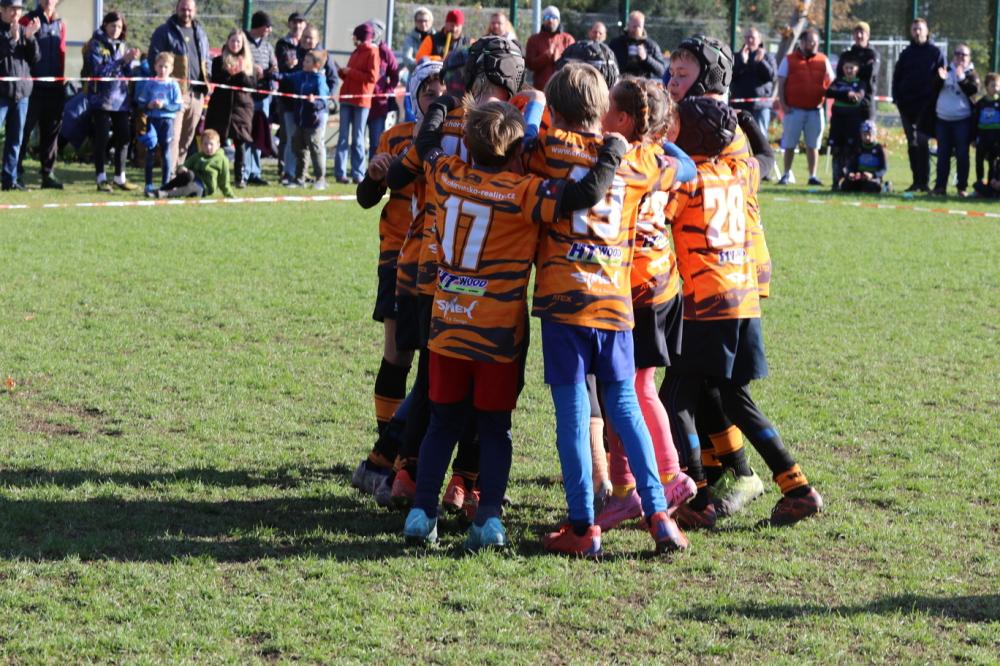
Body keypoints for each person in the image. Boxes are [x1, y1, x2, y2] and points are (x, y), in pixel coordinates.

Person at [400, 95, 640, 553]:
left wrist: (441, 107)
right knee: (495, 428)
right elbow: (585, 195)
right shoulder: (525, 192)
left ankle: (422, 512)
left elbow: (426, 143)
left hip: (447, 326)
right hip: (498, 337)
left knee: (442, 425)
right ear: (516, 151)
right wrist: (611, 154)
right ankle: (489, 518)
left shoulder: (446, 174)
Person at [523, 66, 689, 556]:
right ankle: (658, 515)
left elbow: (522, 141)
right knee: (625, 408)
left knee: (573, 415)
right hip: (615, 303)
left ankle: (582, 527)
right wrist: (653, 142)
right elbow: (687, 170)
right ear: (600, 109)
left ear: (557, 111)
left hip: (564, 303)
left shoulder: (548, 150)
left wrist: (534, 105)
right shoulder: (637, 158)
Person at [665, 97, 823, 528]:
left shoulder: (688, 184)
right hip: (744, 301)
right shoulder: (739, 173)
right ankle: (797, 486)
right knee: (733, 395)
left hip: (705, 304)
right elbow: (766, 161)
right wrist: (751, 125)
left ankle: (699, 499)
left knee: (675, 398)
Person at [352, 60, 443, 460]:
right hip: (397, 256)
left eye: (443, 92)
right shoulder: (394, 137)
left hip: (440, 260)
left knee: (434, 358)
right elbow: (365, 199)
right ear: (415, 95)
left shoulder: (456, 136)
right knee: (397, 354)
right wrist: (374, 176)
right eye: (428, 92)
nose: (437, 99)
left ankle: (412, 447)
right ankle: (388, 442)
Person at [148, 0, 210, 177]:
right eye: (183, 9)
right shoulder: (163, 32)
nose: (186, 13)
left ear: (195, 10)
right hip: (175, 94)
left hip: (197, 94)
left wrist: (209, 76)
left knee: (187, 138)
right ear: (177, 9)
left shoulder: (201, 32)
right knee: (173, 138)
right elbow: (154, 59)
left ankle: (177, 173)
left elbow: (207, 59)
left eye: (190, 9)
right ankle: (168, 176)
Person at [85, 10, 140, 192]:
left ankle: (119, 178)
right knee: (101, 138)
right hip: (100, 99)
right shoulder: (96, 44)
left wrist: (131, 62)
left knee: (124, 137)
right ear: (105, 25)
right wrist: (121, 61)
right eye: (112, 25)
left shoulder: (122, 45)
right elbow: (99, 72)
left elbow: (126, 73)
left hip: (121, 100)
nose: (116, 30)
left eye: (119, 26)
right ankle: (101, 178)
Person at [892, 18, 945, 193]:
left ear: (926, 31)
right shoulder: (906, 53)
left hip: (927, 106)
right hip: (906, 106)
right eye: (914, 29)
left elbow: (942, 79)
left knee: (922, 141)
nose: (917, 32)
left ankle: (924, 182)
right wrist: (897, 99)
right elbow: (897, 77)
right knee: (912, 144)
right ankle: (916, 181)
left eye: (920, 29)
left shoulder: (935, 53)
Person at [776, 28, 833, 186]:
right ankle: (786, 174)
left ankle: (812, 176)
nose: (813, 44)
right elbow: (781, 83)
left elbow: (832, 81)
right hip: (793, 110)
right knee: (789, 144)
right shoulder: (789, 60)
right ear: (802, 42)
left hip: (815, 110)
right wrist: (784, 105)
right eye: (810, 41)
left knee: (813, 145)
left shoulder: (823, 60)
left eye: (816, 42)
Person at [17, 0, 63, 189]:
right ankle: (15, 172)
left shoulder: (60, 23)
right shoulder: (26, 20)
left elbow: (62, 53)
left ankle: (47, 174)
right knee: (23, 131)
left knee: (51, 134)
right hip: (31, 87)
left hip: (55, 87)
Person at [205, 29, 255, 188]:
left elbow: (252, 85)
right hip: (220, 106)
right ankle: (213, 173)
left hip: (241, 109)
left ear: (243, 44)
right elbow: (217, 79)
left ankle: (240, 178)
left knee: (240, 143)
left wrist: (240, 74)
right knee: (216, 141)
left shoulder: (247, 62)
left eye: (238, 41)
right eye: (233, 40)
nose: (235, 44)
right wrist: (230, 74)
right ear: (227, 41)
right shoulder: (218, 61)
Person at [930, 44, 979, 197]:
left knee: (962, 155)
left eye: (964, 55)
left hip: (962, 121)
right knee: (943, 155)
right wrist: (940, 79)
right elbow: (933, 89)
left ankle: (961, 187)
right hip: (943, 120)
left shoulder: (971, 74)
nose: (960, 57)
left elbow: (973, 90)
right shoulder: (945, 70)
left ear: (969, 58)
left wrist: (961, 78)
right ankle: (940, 187)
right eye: (957, 54)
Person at [0, 0, 38, 191]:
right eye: (13, 9)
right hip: (2, 93)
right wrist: (13, 40)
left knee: (15, 139)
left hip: (21, 94)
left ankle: (10, 180)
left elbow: (35, 59)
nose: (16, 13)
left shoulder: (24, 31)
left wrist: (30, 38)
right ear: (2, 10)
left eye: (19, 10)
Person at [335, 23, 379, 184]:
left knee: (358, 138)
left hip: (361, 100)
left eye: (354, 35)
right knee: (343, 137)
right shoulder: (356, 52)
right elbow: (352, 76)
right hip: (347, 98)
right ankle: (340, 173)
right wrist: (342, 72)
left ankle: (358, 173)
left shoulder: (372, 52)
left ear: (359, 36)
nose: (352, 38)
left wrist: (350, 72)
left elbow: (372, 77)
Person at [281, 48, 330, 189]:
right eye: (305, 60)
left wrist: (314, 102)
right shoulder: (300, 76)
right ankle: (299, 179)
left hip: (314, 123)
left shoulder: (320, 80)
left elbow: (323, 103)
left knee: (315, 149)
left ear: (316, 65)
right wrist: (273, 75)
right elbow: (286, 77)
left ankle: (320, 179)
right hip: (300, 122)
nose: (304, 62)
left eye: (308, 61)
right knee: (300, 149)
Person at [136, 51, 182, 195]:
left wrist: (164, 106)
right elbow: (141, 103)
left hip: (167, 122)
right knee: (150, 151)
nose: (163, 70)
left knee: (166, 151)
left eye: (166, 67)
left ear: (171, 69)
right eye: (160, 66)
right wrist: (148, 105)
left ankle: (165, 184)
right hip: (152, 121)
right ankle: (148, 184)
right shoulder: (150, 84)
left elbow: (178, 106)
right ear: (155, 66)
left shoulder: (173, 85)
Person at [243, 11, 277, 186]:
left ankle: (255, 172)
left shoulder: (267, 46)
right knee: (246, 133)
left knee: (259, 134)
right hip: (247, 95)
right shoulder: (243, 41)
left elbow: (274, 65)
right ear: (259, 25)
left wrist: (273, 71)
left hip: (263, 97)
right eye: (267, 26)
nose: (269, 30)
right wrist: (251, 66)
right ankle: (244, 171)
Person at [825, 55, 868, 190]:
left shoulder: (860, 83)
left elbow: (858, 97)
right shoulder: (838, 81)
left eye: (851, 68)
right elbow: (829, 92)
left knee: (851, 151)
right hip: (838, 122)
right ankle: (835, 181)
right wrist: (847, 93)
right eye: (846, 68)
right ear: (843, 68)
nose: (849, 70)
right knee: (837, 151)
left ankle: (848, 182)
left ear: (857, 69)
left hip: (852, 122)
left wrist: (845, 95)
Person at [153, 128, 234, 198]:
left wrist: (230, 196)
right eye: (205, 144)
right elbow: (183, 166)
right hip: (193, 180)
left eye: (211, 144)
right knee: (189, 174)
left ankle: (165, 194)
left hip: (203, 188)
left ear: (218, 145)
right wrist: (181, 169)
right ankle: (161, 189)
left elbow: (224, 182)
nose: (208, 147)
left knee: (192, 187)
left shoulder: (222, 160)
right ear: (201, 145)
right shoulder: (197, 156)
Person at [275, 12, 306, 180]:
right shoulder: (283, 44)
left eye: (300, 22)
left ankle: (300, 169)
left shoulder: (307, 44)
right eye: (294, 22)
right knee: (286, 135)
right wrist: (291, 66)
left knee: (302, 136)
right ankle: (284, 169)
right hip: (287, 97)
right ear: (289, 24)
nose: (297, 25)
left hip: (305, 98)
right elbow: (282, 65)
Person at [731, 27, 776, 134]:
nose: (749, 40)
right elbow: (731, 76)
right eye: (747, 37)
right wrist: (742, 62)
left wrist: (760, 61)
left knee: (759, 138)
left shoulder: (768, 57)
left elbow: (771, 76)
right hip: (740, 107)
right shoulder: (737, 56)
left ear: (759, 40)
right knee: (739, 137)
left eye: (752, 37)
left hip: (760, 107)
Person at [367, 19, 399, 159]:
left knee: (376, 141)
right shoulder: (363, 49)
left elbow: (395, 74)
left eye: (372, 32)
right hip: (362, 102)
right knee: (358, 139)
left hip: (378, 104)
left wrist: (386, 91)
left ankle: (373, 167)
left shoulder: (385, 51)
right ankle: (359, 169)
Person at [837, 21, 878, 122]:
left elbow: (870, 73)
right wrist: (862, 68)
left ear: (868, 36)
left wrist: (852, 70)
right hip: (848, 102)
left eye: (862, 33)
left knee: (866, 129)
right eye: (856, 32)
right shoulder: (847, 54)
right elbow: (840, 75)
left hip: (866, 102)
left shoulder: (873, 54)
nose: (859, 36)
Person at [525, 5, 574, 90]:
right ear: (543, 20)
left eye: (554, 17)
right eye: (547, 17)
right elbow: (529, 64)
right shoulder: (534, 40)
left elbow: (574, 64)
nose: (550, 20)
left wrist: (560, 59)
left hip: (563, 88)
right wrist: (546, 56)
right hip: (541, 88)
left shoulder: (568, 39)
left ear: (559, 20)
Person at [608, 10, 666, 80]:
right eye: (634, 26)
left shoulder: (651, 46)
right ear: (628, 25)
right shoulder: (616, 43)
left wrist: (646, 58)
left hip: (643, 83)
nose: (637, 29)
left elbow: (662, 71)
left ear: (643, 27)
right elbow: (608, 65)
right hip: (621, 82)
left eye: (639, 26)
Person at [840, 120, 888, 193]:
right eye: (865, 135)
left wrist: (872, 175)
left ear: (874, 134)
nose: (867, 137)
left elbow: (884, 169)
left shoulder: (880, 149)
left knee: (870, 187)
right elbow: (852, 164)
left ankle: (885, 186)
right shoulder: (858, 148)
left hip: (873, 178)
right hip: (860, 177)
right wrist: (851, 173)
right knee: (846, 185)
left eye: (869, 134)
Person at [974, 72, 1000, 187]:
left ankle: (991, 185)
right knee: (979, 161)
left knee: (992, 162)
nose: (996, 88)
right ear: (986, 87)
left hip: (996, 139)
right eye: (993, 85)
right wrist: (973, 138)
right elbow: (975, 121)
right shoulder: (981, 103)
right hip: (983, 137)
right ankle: (979, 184)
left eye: (998, 85)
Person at [402, 7, 433, 71]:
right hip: (416, 73)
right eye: (420, 21)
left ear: (430, 22)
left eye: (425, 21)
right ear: (415, 22)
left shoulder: (436, 38)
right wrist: (421, 66)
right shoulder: (410, 39)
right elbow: (407, 58)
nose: (423, 24)